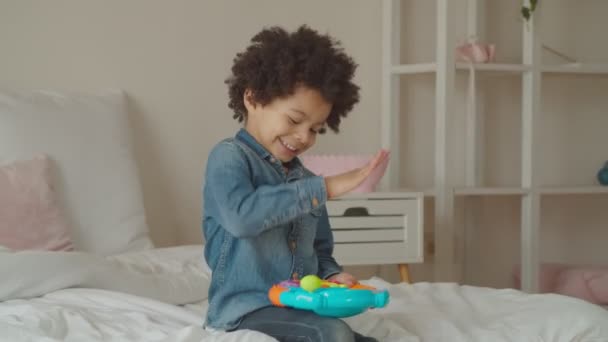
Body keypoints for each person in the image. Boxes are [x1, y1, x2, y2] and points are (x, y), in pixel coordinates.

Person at [202, 25, 389, 342]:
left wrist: (332, 276)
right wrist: (324, 188)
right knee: (333, 334)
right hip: (245, 310)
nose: (304, 137)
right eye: (293, 120)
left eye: (315, 129)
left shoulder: (304, 179)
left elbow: (319, 250)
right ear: (252, 98)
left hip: (302, 307)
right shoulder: (228, 157)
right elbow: (241, 218)